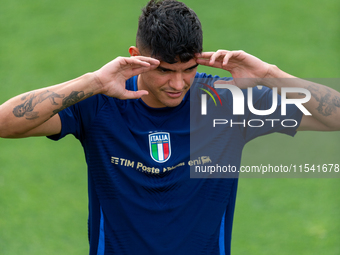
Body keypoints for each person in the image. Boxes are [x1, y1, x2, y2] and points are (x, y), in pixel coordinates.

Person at [0, 0, 339, 254]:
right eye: (164, 70)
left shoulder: (226, 102)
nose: (178, 83)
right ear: (136, 56)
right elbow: (6, 123)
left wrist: (270, 76)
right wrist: (92, 81)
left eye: (188, 69)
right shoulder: (100, 101)